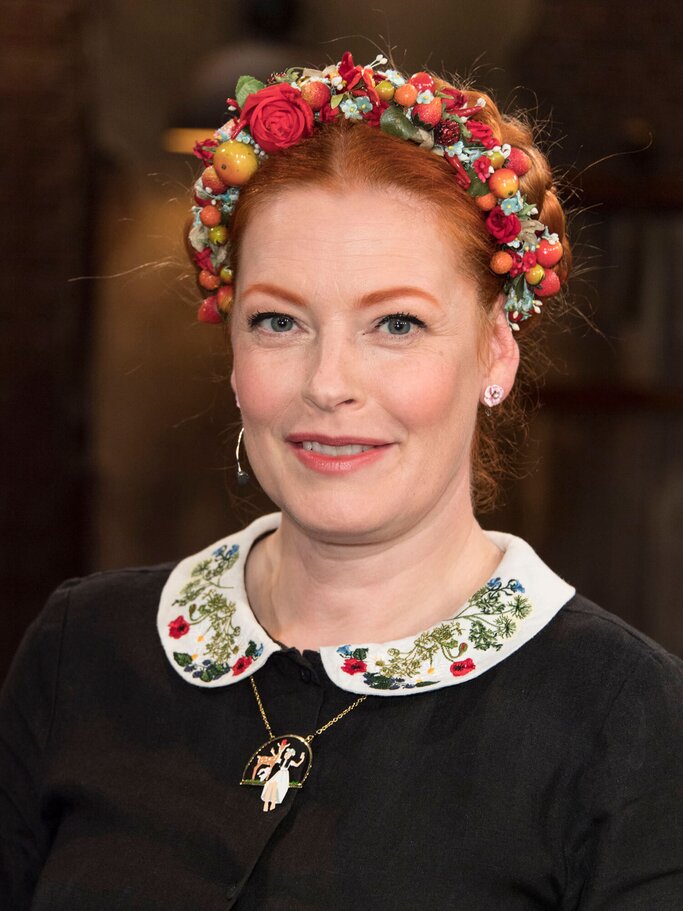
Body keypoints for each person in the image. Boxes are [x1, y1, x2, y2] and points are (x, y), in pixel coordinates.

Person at [1, 51, 682, 910]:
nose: (328, 382)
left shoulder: (628, 721)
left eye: (395, 323)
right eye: (278, 321)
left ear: (493, 353)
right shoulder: (81, 653)